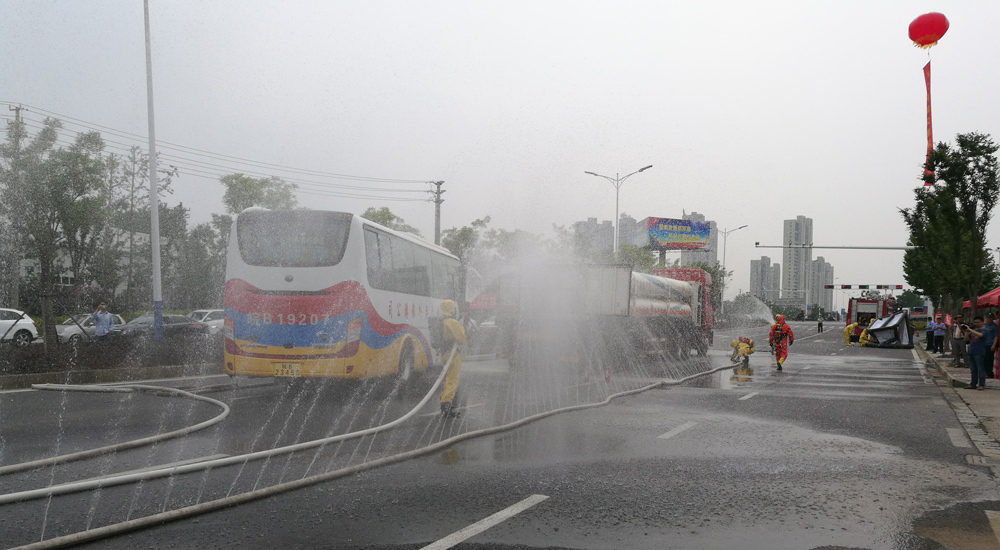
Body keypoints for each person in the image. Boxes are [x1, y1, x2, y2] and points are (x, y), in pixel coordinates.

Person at [438, 299, 466, 418]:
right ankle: (446, 406)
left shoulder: (441, 321)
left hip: (444, 354)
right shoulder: (452, 322)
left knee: (447, 379)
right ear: (452, 308)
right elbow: (461, 338)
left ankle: (445, 402)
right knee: (452, 380)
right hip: (452, 355)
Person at [964, 316, 989, 390]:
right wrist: (966, 331)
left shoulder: (984, 330)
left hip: (979, 352)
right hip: (971, 351)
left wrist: (970, 330)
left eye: (978, 322)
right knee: (973, 369)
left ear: (982, 322)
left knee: (980, 369)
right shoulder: (973, 331)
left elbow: (980, 335)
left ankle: (981, 384)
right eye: (975, 322)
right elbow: (966, 340)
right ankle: (973, 384)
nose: (976, 324)